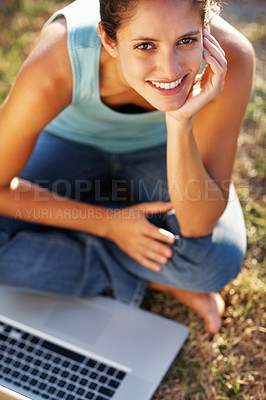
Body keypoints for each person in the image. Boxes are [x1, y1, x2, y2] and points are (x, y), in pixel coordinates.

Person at [0, 0, 254, 334]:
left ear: (206, 29)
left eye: (186, 41)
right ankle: (149, 271)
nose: (169, 68)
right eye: (145, 46)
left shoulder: (230, 58)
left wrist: (179, 124)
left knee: (214, 262)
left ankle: (92, 234)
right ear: (108, 40)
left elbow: (198, 223)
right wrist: (108, 224)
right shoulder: (61, 53)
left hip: (161, 154)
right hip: (71, 146)